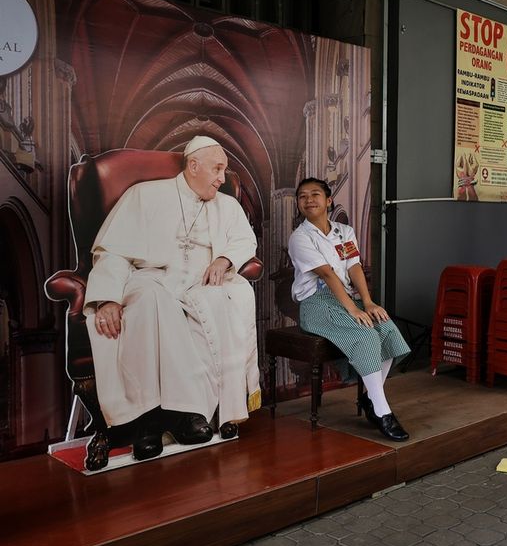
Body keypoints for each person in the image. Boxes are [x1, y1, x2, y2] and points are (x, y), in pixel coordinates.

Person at [85, 135, 261, 461]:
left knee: (232, 298)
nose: (223, 178)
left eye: (224, 170)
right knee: (151, 301)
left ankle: (192, 414)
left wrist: (224, 260)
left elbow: (243, 241)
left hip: (202, 283)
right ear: (193, 166)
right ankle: (148, 424)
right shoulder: (144, 196)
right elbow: (112, 252)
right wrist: (108, 298)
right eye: (217, 169)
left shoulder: (227, 205)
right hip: (153, 278)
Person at [288, 178, 411, 441]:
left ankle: (370, 399)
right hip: (316, 304)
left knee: (387, 329)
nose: (309, 200)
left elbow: (354, 267)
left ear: (328, 200)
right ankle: (382, 411)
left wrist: (367, 302)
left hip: (345, 299)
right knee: (366, 335)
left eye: (315, 194)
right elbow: (328, 274)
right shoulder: (300, 237)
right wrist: (353, 311)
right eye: (302, 196)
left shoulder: (345, 231)